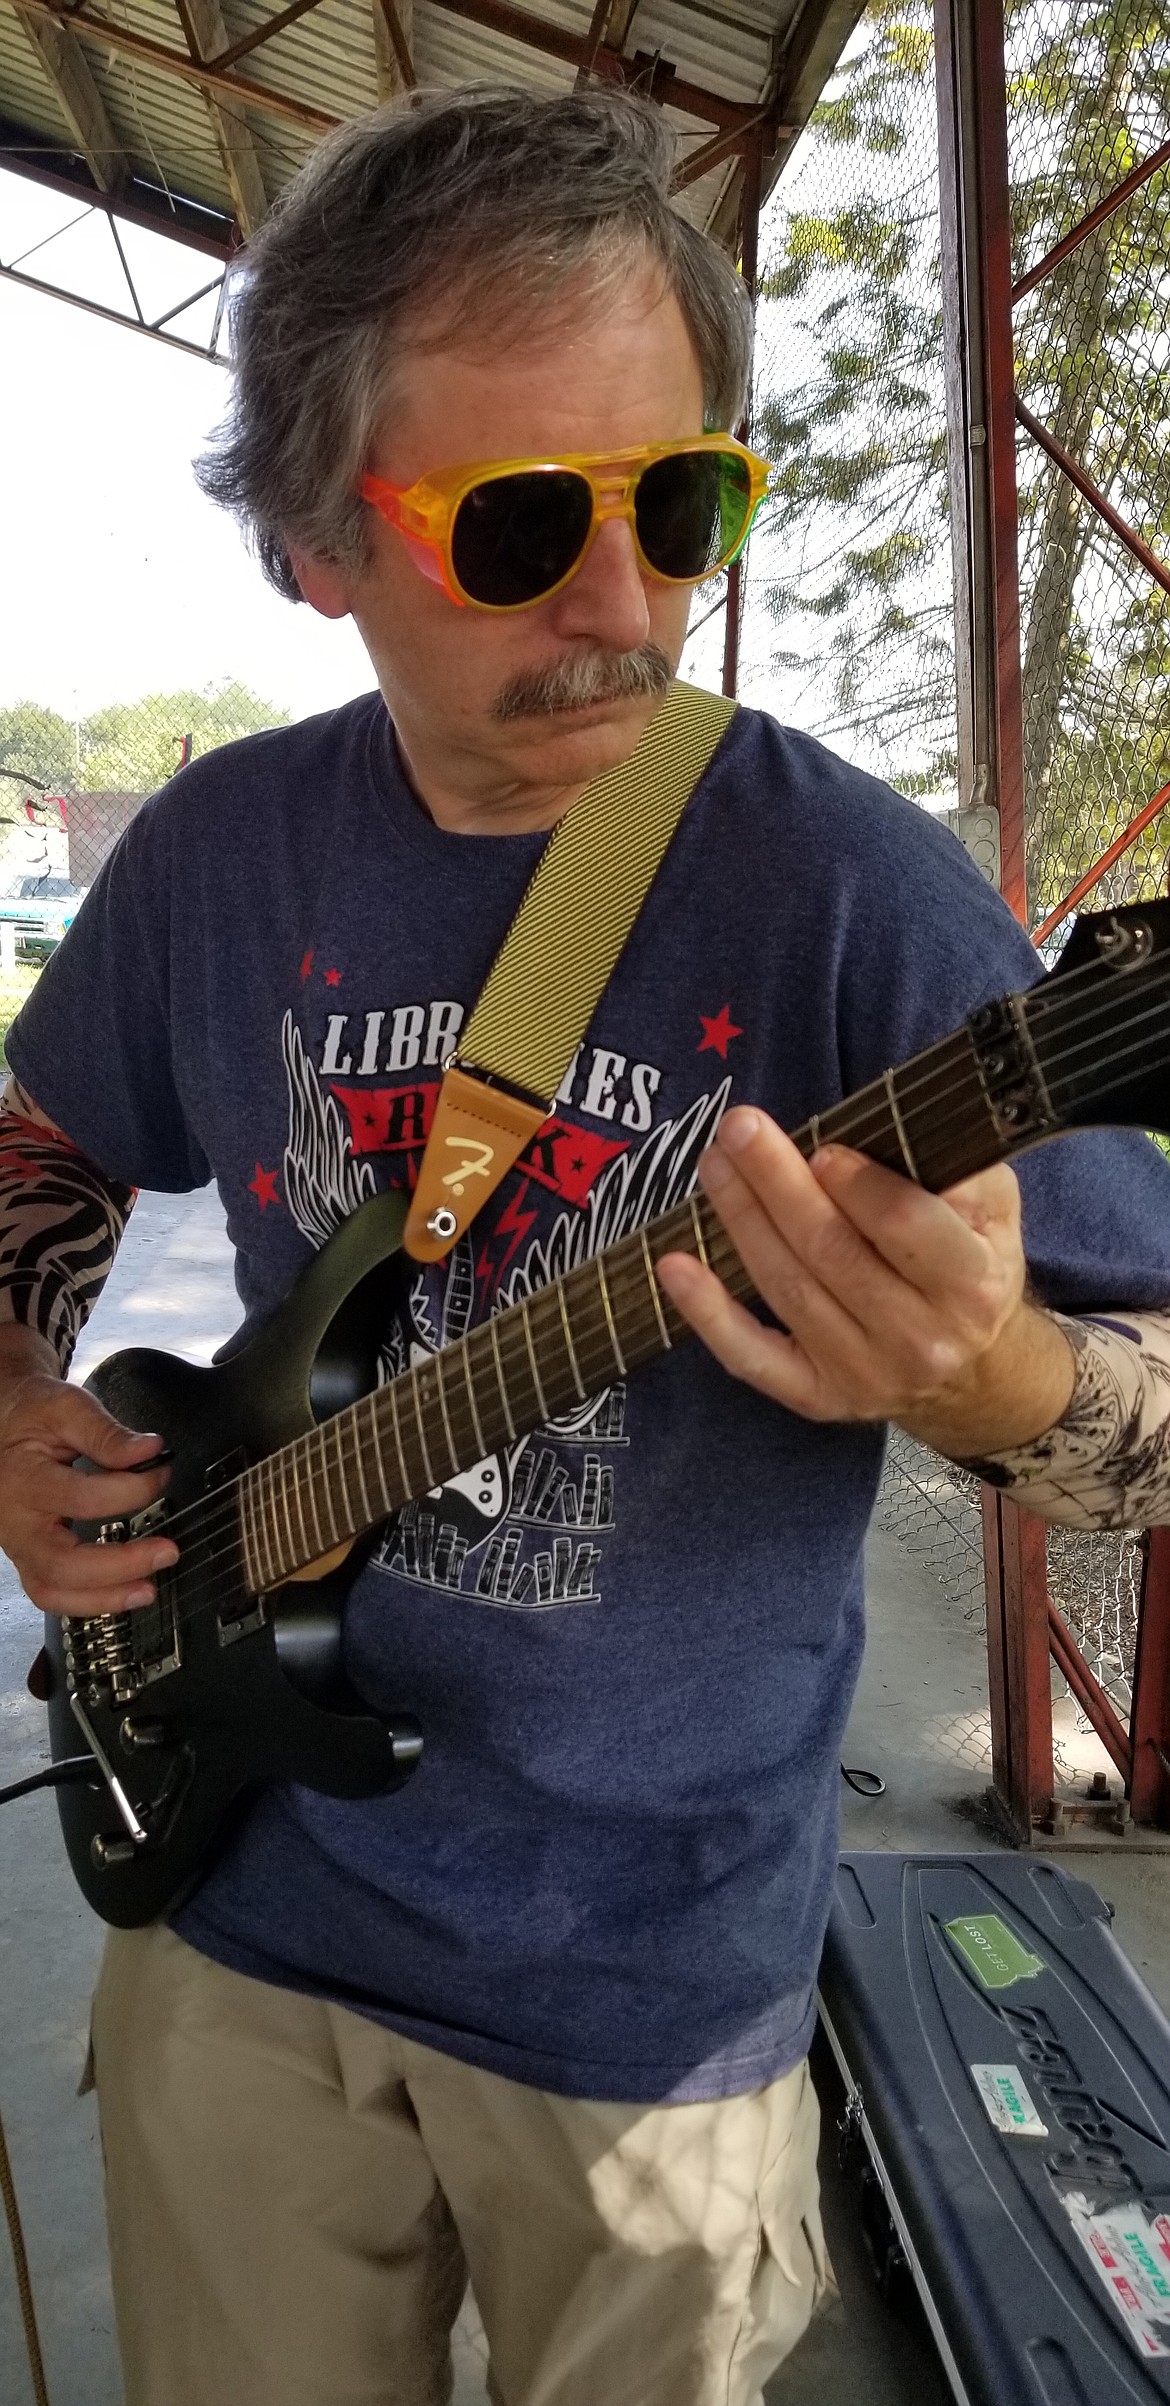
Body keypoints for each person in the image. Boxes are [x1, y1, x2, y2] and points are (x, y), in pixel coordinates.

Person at [1, 85, 1169, 2406]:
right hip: (238, 1923)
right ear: (317, 543)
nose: (626, 607)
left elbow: (1145, 1422)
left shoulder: (852, 896)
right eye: (521, 525)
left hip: (648, 2016)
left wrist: (997, 1390)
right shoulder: (222, 853)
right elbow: (33, 1145)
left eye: (683, 503)